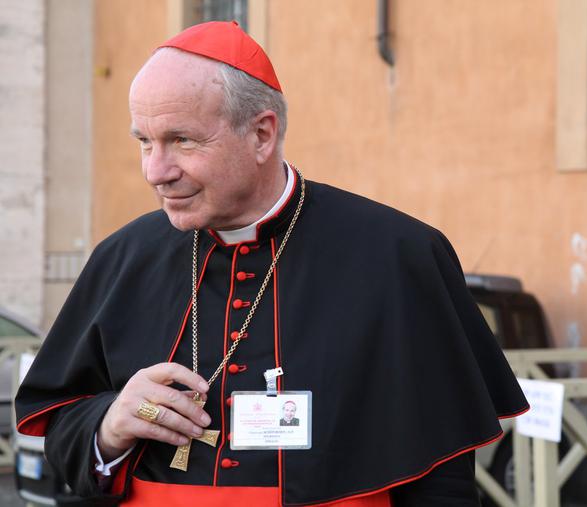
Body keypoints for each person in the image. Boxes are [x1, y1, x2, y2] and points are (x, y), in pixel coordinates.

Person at [15, 21, 528, 506]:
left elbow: (442, 477)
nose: (156, 171)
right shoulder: (122, 259)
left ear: (262, 134)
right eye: (144, 142)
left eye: (182, 140)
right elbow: (63, 436)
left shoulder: (399, 256)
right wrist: (110, 425)